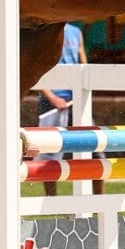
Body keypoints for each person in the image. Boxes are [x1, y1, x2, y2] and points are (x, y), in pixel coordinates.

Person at [35, 23, 102, 196]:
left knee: (95, 148)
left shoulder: (76, 31)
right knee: (48, 154)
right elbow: (34, 69)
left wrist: (85, 88)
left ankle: (99, 200)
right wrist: (51, 97)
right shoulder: (42, 31)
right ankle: (51, 201)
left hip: (75, 99)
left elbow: (82, 60)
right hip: (51, 101)